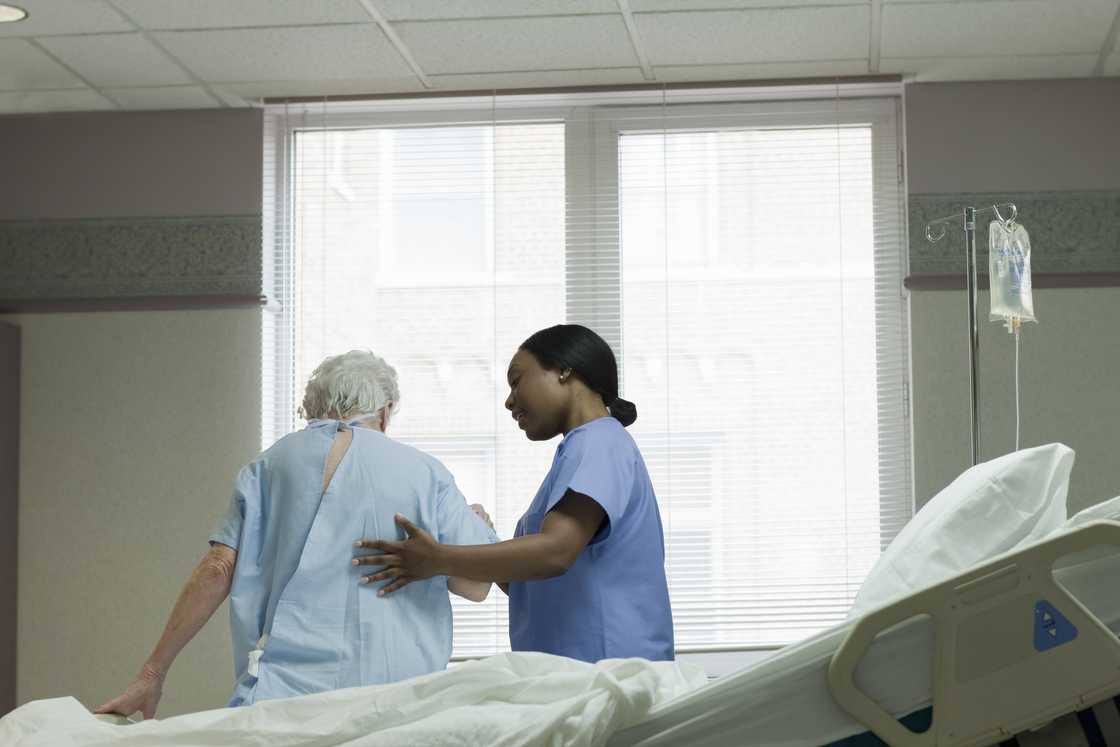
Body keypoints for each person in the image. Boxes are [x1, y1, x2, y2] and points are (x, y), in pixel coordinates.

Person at [97, 350, 497, 718]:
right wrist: (484, 528)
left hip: (284, 700)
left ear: (312, 408)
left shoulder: (268, 466)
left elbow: (218, 569)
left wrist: (151, 674)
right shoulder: (424, 472)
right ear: (386, 411)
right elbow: (476, 587)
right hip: (394, 701)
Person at [354, 324, 674, 663]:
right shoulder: (584, 450)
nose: (509, 401)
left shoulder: (599, 442)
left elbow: (555, 552)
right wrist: (480, 537)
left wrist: (437, 559)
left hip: (608, 672)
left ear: (565, 369)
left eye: (517, 380)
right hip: (582, 670)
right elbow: (531, 581)